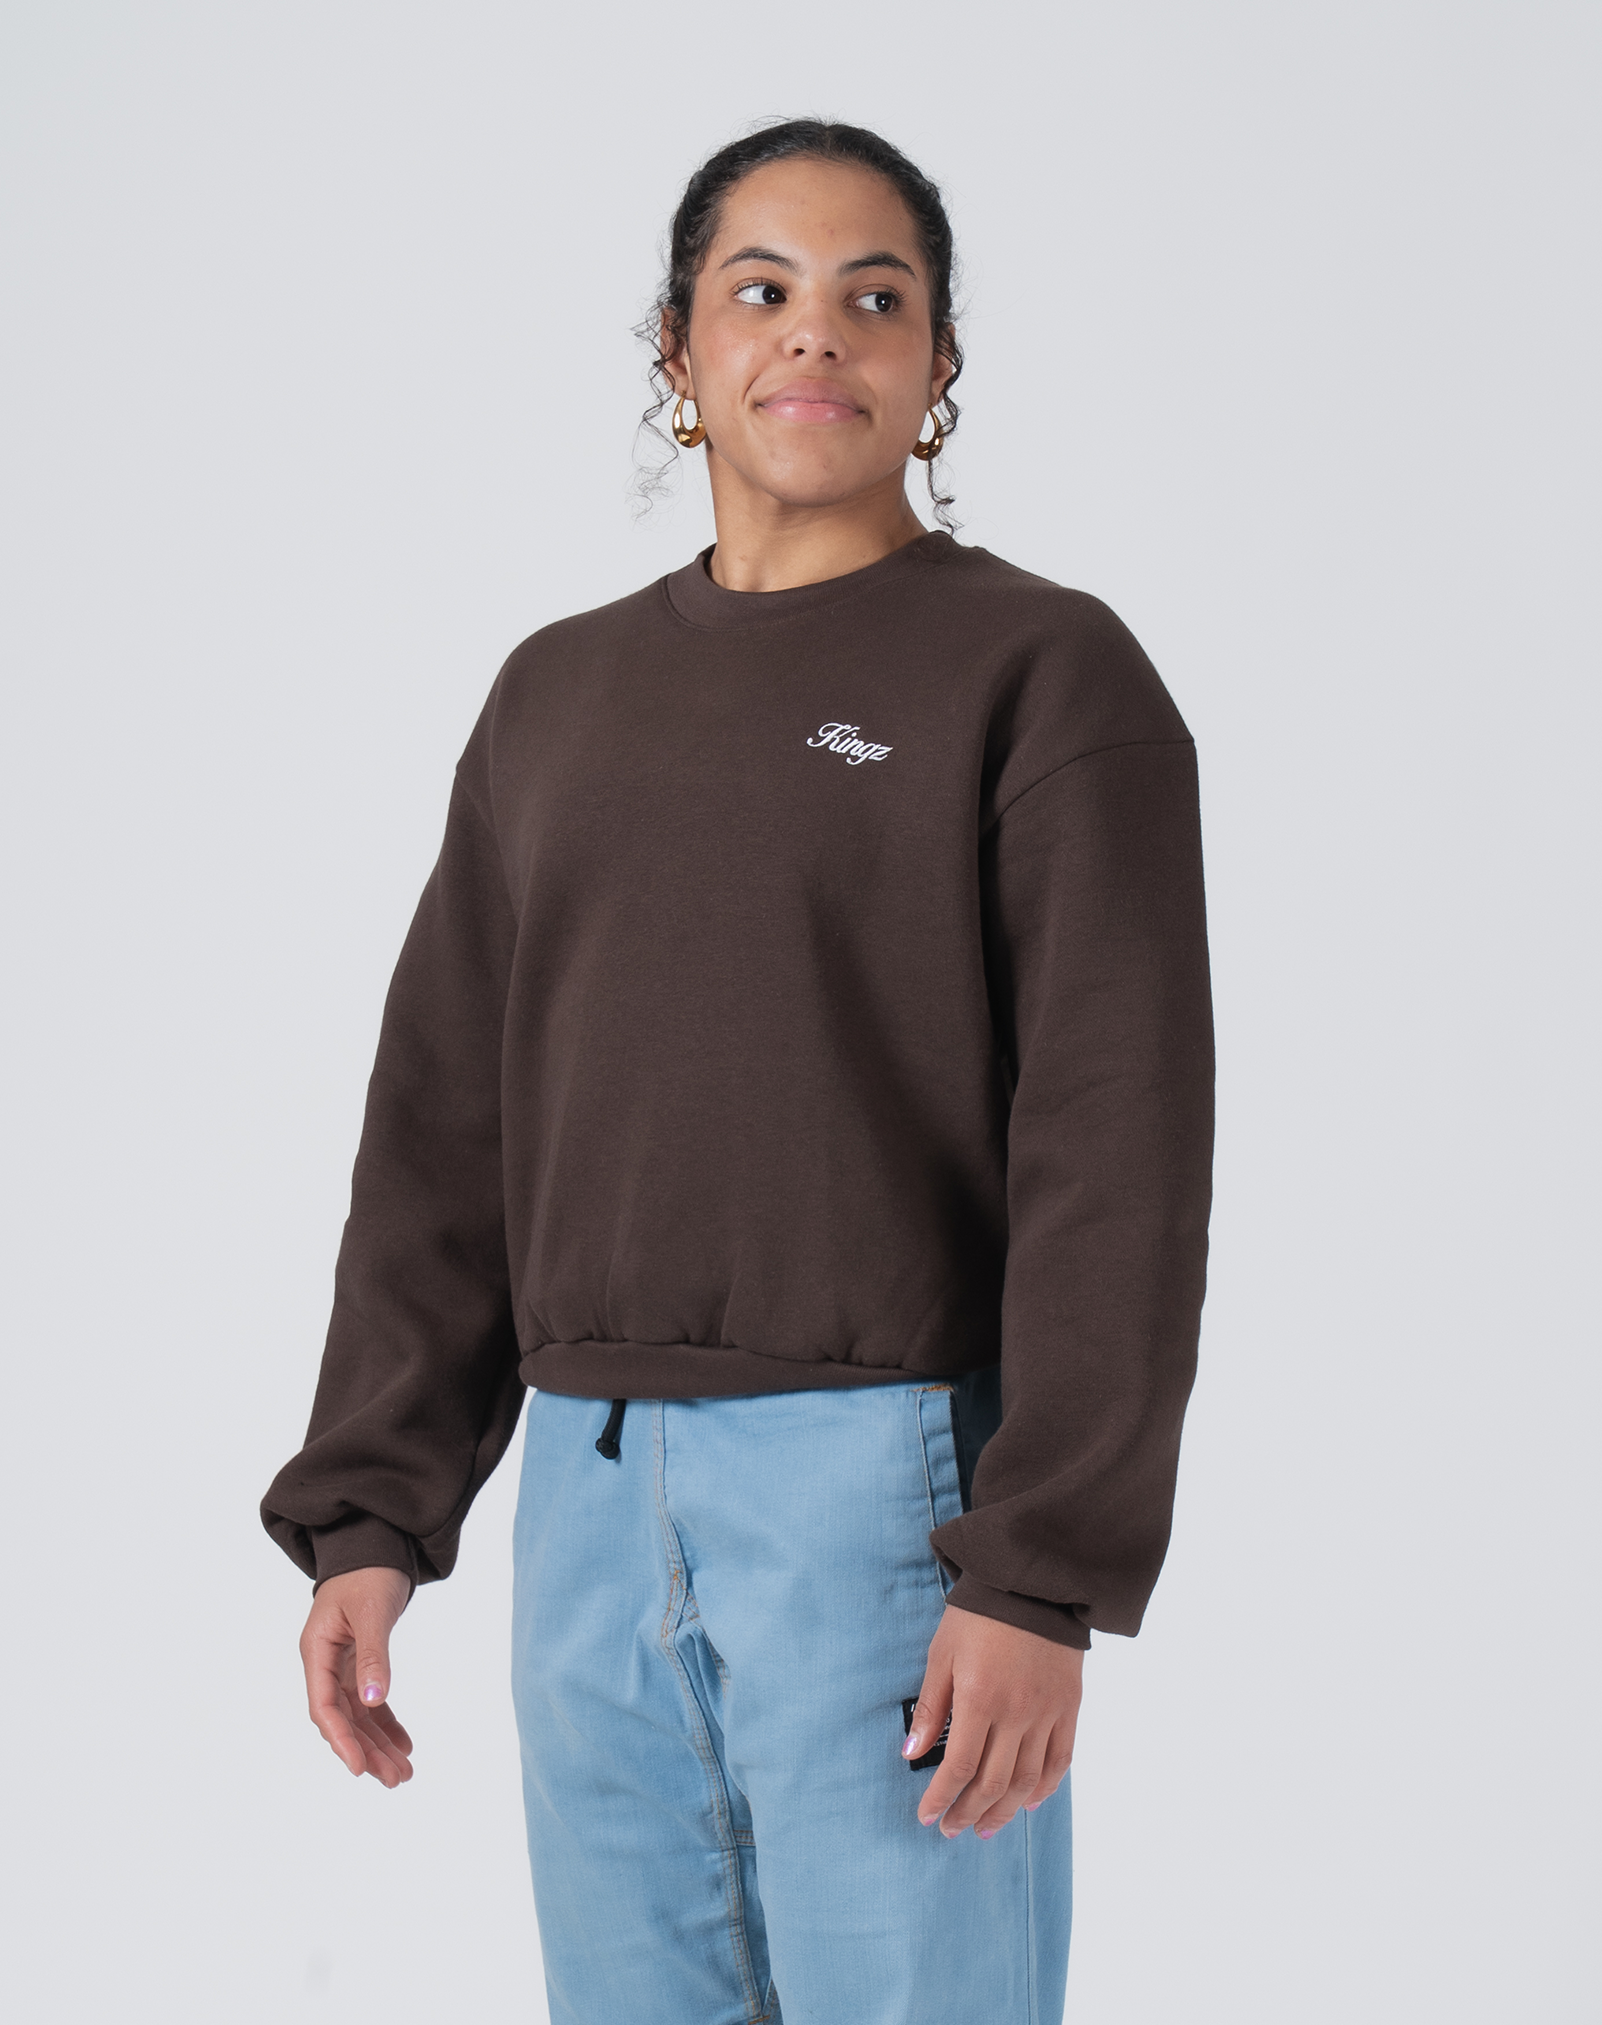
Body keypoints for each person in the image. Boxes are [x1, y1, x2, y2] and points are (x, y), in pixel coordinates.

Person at [262, 118, 1214, 2025]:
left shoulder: (1042, 673)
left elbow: (1116, 1147)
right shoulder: (557, 695)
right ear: (680, 350)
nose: (815, 333)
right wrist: (372, 1509)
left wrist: (1037, 1573)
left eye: (878, 298)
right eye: (760, 289)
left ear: (939, 366)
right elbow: (447, 1125)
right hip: (589, 1493)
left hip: (891, 1489)